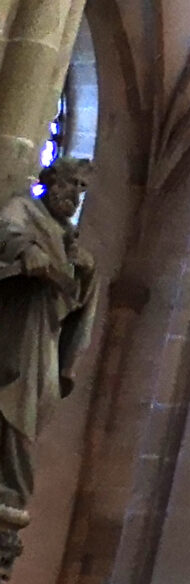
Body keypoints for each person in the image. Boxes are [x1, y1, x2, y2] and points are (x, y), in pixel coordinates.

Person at [0, 160, 97, 519]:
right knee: (17, 402)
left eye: (81, 189)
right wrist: (26, 250)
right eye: (70, 183)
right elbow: (6, 230)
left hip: (46, 334)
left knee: (36, 401)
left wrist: (85, 273)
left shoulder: (69, 238)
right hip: (16, 325)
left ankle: (12, 495)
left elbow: (76, 301)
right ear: (51, 181)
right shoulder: (23, 209)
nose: (75, 195)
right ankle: (11, 489)